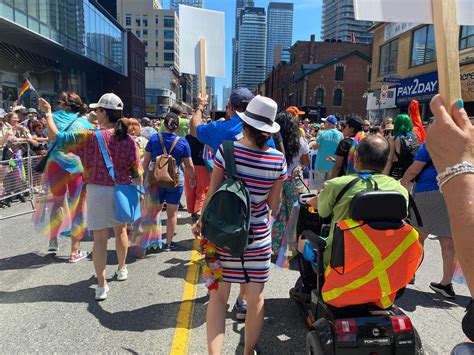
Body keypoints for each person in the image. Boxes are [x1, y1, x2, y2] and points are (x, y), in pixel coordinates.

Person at [192, 95, 287, 355]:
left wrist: (201, 221)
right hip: (258, 239)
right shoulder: (278, 160)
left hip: (224, 237)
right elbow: (273, 205)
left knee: (219, 298)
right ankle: (247, 352)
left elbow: (212, 193)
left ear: (245, 125)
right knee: (255, 298)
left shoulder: (227, 151)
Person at [39, 93, 142, 300]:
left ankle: (101, 285)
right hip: (121, 190)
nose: (95, 113)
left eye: (98, 110)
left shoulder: (91, 136)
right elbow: (137, 172)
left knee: (100, 239)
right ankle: (122, 269)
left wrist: (49, 113)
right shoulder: (129, 140)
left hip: (96, 190)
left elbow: (57, 137)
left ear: (104, 113)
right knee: (121, 231)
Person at [426, 95, 473, 341]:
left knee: (421, 237)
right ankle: (446, 281)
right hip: (445, 195)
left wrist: (459, 168)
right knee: (446, 240)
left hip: (429, 195)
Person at [33, 92, 91, 262]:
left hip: (55, 165)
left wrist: (49, 113)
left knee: (57, 202)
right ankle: (74, 251)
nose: (57, 105)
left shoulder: (54, 117)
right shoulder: (85, 123)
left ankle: (53, 240)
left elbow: (51, 136)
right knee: (78, 206)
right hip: (76, 166)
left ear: (65, 104)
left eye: (59, 102)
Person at [401, 142, 456, 298]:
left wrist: (402, 182)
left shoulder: (432, 142)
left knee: (418, 236)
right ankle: (446, 283)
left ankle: (410, 273)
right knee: (448, 241)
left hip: (428, 191)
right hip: (452, 192)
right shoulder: (464, 141)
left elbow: (415, 169)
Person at [142, 112, 196, 251]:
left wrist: (141, 179)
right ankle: (169, 243)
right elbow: (189, 164)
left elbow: (145, 162)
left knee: (154, 212)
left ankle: (153, 242)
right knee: (172, 213)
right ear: (177, 127)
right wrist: (192, 178)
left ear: (164, 124)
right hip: (175, 181)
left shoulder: (154, 139)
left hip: (155, 180)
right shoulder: (183, 142)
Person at [271, 111, 309, 256]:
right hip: (294, 180)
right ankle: (294, 249)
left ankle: (275, 247)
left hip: (277, 181)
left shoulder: (272, 141)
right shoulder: (300, 140)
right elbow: (306, 162)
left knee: (279, 213)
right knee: (295, 214)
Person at [311, 115, 343, 190]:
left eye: (325, 122)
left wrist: (313, 141)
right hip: (333, 165)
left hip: (321, 164)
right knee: (329, 188)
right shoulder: (341, 135)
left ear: (328, 124)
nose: (324, 124)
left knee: (320, 189)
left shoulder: (323, 133)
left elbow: (315, 147)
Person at [385, 114, 420, 179]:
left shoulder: (393, 139)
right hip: (413, 173)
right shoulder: (414, 138)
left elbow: (390, 160)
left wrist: (384, 176)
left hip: (397, 173)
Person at [185, 131, 210, 223]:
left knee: (190, 190)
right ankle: (198, 210)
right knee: (202, 190)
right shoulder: (205, 135)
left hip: (189, 166)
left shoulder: (187, 137)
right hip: (203, 165)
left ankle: (193, 211)